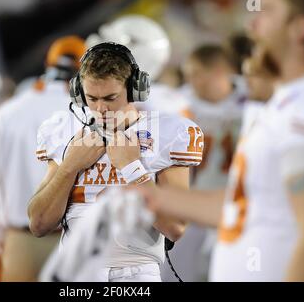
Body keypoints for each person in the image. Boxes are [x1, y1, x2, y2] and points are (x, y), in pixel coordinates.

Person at [139, 0, 304, 281]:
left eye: (266, 12)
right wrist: (143, 195)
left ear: (300, 28)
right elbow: (245, 206)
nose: (252, 22)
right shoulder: (288, 102)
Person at [28, 42, 204, 282]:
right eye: (91, 98)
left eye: (111, 97)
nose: (100, 109)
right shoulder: (65, 132)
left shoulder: (166, 132)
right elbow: (38, 224)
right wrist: (69, 167)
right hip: (76, 273)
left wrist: (133, 169)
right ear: (78, 93)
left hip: (136, 272)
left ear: (135, 89)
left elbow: (175, 227)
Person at [0, 35, 87, 281]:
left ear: (48, 64)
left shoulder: (9, 111)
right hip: (72, 241)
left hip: (20, 239)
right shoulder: (88, 112)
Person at [162, 44, 247, 281]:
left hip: (237, 203)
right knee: (175, 270)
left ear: (220, 71)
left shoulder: (252, 100)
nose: (192, 82)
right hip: (194, 201)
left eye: (198, 74)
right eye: (189, 75)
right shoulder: (180, 103)